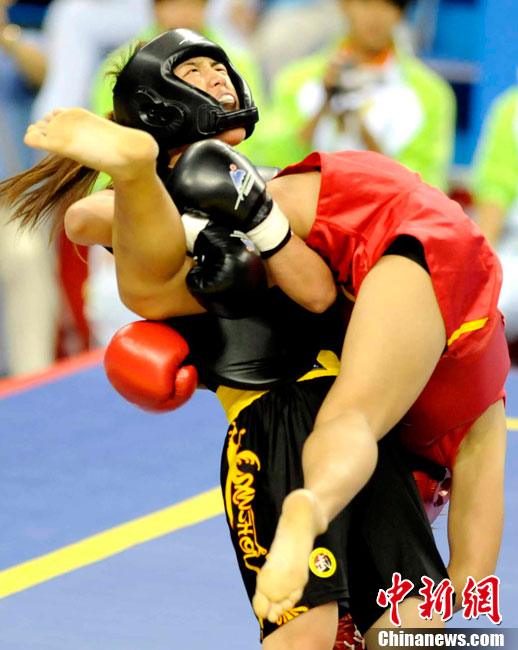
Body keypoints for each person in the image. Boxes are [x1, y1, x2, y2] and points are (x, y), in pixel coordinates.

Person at [0, 29, 507, 648]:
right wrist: (221, 220)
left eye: (218, 66)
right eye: (195, 71)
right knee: (407, 624)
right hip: (355, 341)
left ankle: (136, 174)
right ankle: (137, 174)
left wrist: (242, 223)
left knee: (316, 628)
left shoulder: (250, 189)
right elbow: (84, 218)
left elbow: (316, 293)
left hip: (291, 419)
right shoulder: (456, 396)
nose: (217, 75)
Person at [260, 0, 456, 191]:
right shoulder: (296, 81)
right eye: (365, 2)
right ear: (344, 5)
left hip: (383, 213)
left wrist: (364, 132)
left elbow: (429, 189)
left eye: (388, 4)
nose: (375, 14)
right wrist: (323, 106)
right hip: (306, 211)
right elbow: (271, 169)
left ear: (401, 12)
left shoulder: (431, 94)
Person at [471, 85, 518, 346]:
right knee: (480, 318)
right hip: (512, 249)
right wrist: (481, 270)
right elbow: (495, 190)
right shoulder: (512, 109)